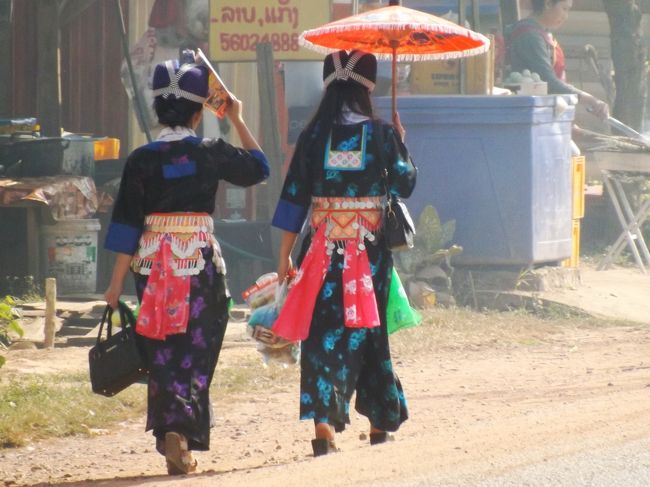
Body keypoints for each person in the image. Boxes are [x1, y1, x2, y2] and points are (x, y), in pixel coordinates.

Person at [103, 55, 269, 475]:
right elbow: (260, 168)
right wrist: (236, 117)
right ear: (199, 112)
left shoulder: (141, 161)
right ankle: (181, 430)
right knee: (197, 349)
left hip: (153, 271)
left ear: (158, 108)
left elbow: (126, 225)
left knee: (162, 349)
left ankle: (168, 432)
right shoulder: (210, 153)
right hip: (198, 266)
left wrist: (114, 284)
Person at [270, 49, 417, 456]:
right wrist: (401, 144)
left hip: (322, 254)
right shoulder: (382, 134)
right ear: (367, 90)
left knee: (322, 337)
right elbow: (406, 184)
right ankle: (379, 421)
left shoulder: (312, 136)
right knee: (370, 333)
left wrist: (284, 257)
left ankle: (322, 428)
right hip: (369, 257)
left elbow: (292, 201)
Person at [506, 0, 609, 120]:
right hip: (528, 114)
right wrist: (590, 99)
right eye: (564, 9)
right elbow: (548, 81)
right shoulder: (530, 36)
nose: (565, 17)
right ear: (548, 4)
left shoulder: (541, 33)